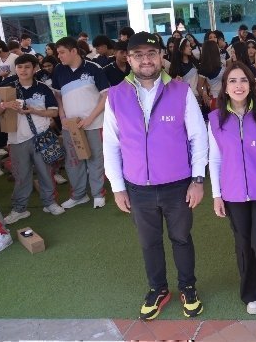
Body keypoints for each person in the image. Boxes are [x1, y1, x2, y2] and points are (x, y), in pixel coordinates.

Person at [103, 32, 208, 320]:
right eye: (138, 55)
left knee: (181, 238)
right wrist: (117, 188)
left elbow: (199, 138)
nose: (145, 59)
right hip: (138, 188)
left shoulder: (181, 91)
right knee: (149, 242)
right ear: (127, 58)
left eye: (151, 53)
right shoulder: (115, 96)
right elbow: (110, 144)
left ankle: (188, 286)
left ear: (161, 55)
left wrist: (198, 180)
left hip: (178, 185)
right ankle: (158, 288)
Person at [209, 61, 256, 316]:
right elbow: (215, 159)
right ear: (225, 87)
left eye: (243, 80)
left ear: (251, 84)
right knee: (243, 245)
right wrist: (216, 195)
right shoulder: (215, 118)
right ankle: (251, 294)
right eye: (232, 81)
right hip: (233, 194)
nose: (238, 85)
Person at [0, 54, 64, 224]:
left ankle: (50, 203)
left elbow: (54, 112)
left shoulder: (43, 88)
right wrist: (5, 105)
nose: (23, 70)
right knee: (21, 175)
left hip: (41, 136)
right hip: (16, 139)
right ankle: (19, 209)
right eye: (19, 67)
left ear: (35, 69)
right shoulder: (7, 87)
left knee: (46, 173)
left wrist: (34, 110)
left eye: (27, 67)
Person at [52, 37, 109, 209]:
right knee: (73, 161)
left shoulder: (93, 68)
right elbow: (59, 98)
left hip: (94, 123)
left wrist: (90, 118)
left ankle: (98, 194)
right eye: (57, 53)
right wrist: (62, 118)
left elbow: (106, 96)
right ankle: (78, 195)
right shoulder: (58, 71)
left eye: (62, 52)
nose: (59, 56)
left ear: (74, 51)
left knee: (96, 159)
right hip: (71, 126)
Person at [197, 41, 225, 111]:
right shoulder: (204, 68)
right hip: (215, 98)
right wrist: (205, 95)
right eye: (217, 47)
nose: (219, 49)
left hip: (226, 97)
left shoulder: (222, 63)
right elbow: (200, 87)